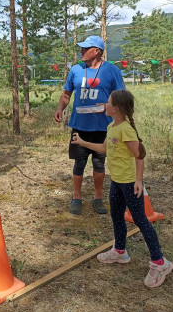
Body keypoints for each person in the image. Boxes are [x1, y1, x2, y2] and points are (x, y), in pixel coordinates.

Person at [72, 89, 173, 287]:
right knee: (117, 216)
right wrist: (82, 142)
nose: (104, 105)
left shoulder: (126, 129)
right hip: (117, 181)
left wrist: (138, 181)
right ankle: (120, 251)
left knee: (141, 220)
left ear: (115, 108)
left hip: (129, 183)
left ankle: (160, 262)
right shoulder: (111, 127)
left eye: (107, 102)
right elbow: (105, 149)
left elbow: (139, 155)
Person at [54, 35, 125, 215]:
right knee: (79, 163)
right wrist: (60, 108)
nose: (81, 51)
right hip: (80, 125)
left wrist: (109, 107)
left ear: (97, 51)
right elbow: (66, 93)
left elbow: (121, 97)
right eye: (81, 48)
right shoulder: (76, 70)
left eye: (85, 48)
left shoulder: (112, 71)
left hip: (103, 126)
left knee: (99, 164)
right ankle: (76, 197)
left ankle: (97, 198)